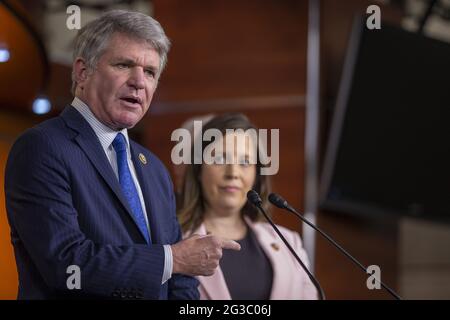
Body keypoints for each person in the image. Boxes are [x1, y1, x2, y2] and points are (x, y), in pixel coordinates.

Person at [4, 10, 240, 300]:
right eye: (124, 65)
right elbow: (67, 264)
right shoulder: (43, 147)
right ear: (82, 72)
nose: (139, 82)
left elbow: (181, 281)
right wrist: (172, 259)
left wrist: (178, 267)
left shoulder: (153, 168)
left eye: (150, 72)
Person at [178, 113, 318, 300]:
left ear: (256, 175)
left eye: (245, 162)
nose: (233, 173)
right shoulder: (176, 244)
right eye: (219, 159)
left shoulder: (290, 243)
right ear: (198, 170)